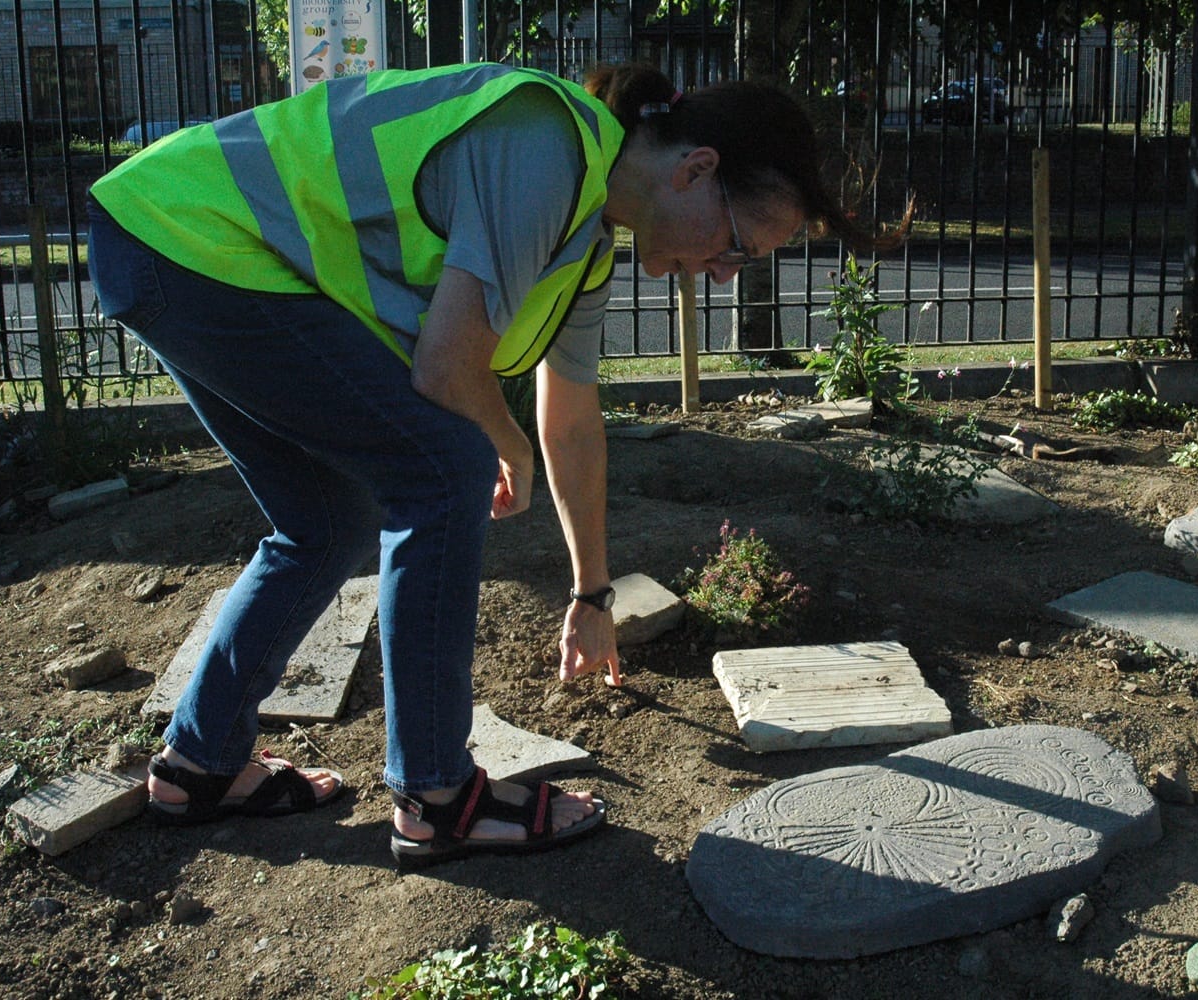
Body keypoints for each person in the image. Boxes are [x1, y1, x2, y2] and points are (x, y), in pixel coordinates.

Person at [86, 60, 885, 868]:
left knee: (327, 521)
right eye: (740, 247)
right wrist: (505, 445)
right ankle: (437, 797)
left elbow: (571, 424)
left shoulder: (587, 247)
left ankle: (198, 763)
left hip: (169, 238)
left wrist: (592, 594)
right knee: (441, 473)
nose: (722, 273)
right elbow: (445, 368)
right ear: (698, 168)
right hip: (195, 237)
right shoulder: (546, 145)